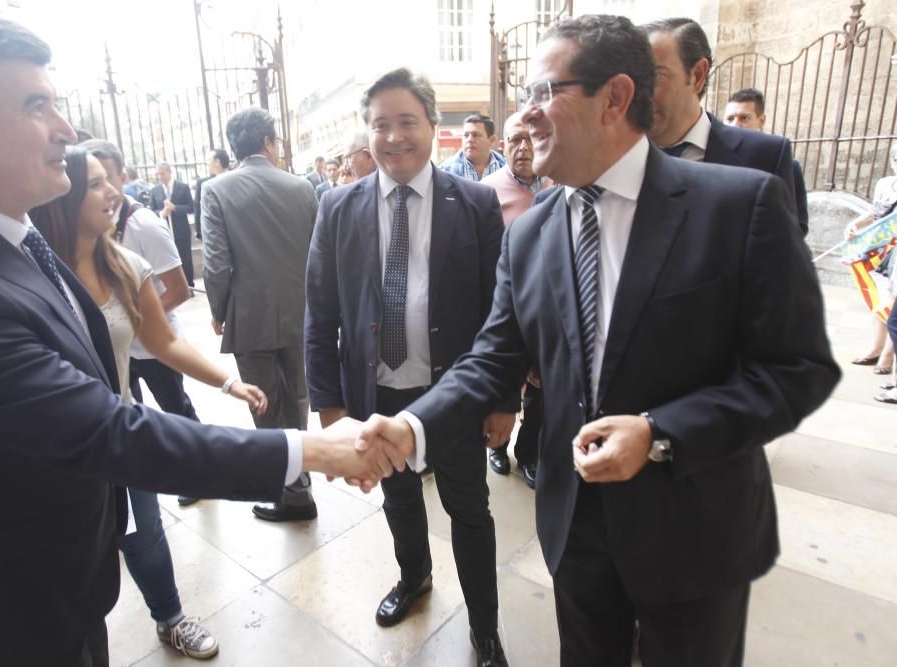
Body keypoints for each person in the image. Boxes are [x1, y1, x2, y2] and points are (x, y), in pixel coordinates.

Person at [0, 12, 400, 666]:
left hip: (61, 583)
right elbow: (111, 430)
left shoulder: (4, 234)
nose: (66, 130)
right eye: (36, 105)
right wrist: (318, 452)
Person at [358, 15, 840, 666]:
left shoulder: (741, 206)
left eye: (541, 92)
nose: (523, 118)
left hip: (695, 532)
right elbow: (492, 359)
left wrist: (659, 430)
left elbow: (798, 370)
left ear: (614, 98)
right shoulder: (530, 235)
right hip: (577, 529)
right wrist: (411, 429)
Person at [305, 67, 512, 667]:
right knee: (397, 496)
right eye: (380, 125)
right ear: (366, 133)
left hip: (453, 393)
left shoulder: (473, 202)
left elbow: (502, 313)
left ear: (432, 126)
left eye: (406, 123)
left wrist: (503, 400)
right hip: (376, 391)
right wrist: (330, 405)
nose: (393, 137)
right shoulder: (337, 208)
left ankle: (485, 627)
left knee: (469, 509)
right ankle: (415, 577)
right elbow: (319, 312)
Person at [31, 145, 267, 659]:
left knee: (144, 534)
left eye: (109, 179)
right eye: (95, 183)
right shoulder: (31, 269)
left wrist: (228, 383)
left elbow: (164, 343)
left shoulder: (123, 264)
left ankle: (171, 618)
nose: (113, 191)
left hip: (116, 433)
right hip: (52, 445)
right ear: (61, 191)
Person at [202, 108, 320, 522]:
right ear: (268, 141)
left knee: (263, 403)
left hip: (249, 317)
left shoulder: (216, 189)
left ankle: (288, 489)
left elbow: (215, 263)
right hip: (299, 312)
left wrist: (219, 310)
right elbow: (316, 254)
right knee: (298, 398)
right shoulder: (302, 187)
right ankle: (300, 481)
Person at [83, 139, 203, 507]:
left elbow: (180, 290)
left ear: (121, 176)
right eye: (92, 182)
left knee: (175, 409)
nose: (104, 190)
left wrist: (134, 323)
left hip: (154, 347)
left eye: (107, 178)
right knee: (126, 413)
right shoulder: (89, 230)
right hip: (118, 349)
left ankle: (197, 474)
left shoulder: (144, 225)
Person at [640, 18, 804, 236]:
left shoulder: (765, 156)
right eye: (635, 78)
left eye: (656, 76)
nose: (640, 92)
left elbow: (781, 254)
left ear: (697, 75)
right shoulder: (618, 155)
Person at [480, 110, 551, 487]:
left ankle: (529, 452)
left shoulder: (557, 183)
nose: (522, 148)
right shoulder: (486, 191)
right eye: (513, 140)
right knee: (501, 379)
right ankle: (496, 445)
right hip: (504, 306)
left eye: (528, 138)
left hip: (545, 308)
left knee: (540, 390)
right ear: (501, 145)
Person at [723, 87, 809, 236]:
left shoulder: (784, 165)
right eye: (730, 119)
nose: (735, 125)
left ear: (761, 120)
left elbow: (798, 224)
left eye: (744, 118)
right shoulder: (714, 160)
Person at [843, 145, 897, 380]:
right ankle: (876, 347)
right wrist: (856, 224)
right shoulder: (884, 184)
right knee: (878, 298)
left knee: (894, 302)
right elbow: (875, 214)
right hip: (878, 249)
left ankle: (888, 354)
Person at [150, 161, 195, 286]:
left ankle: (189, 285)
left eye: (162, 173)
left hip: (181, 230)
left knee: (185, 257)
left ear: (169, 172)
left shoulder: (182, 187)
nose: (160, 177)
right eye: (157, 174)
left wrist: (175, 208)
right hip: (164, 230)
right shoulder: (155, 190)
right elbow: (151, 209)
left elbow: (191, 208)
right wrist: (161, 213)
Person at [439, 114, 506, 180]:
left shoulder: (507, 169)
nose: (470, 140)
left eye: (476, 135)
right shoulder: (445, 172)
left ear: (492, 140)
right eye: (466, 135)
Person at [194, 148, 232, 240]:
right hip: (214, 232)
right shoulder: (203, 183)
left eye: (208, 160)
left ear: (217, 162)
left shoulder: (237, 179)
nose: (207, 163)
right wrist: (198, 231)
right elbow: (198, 207)